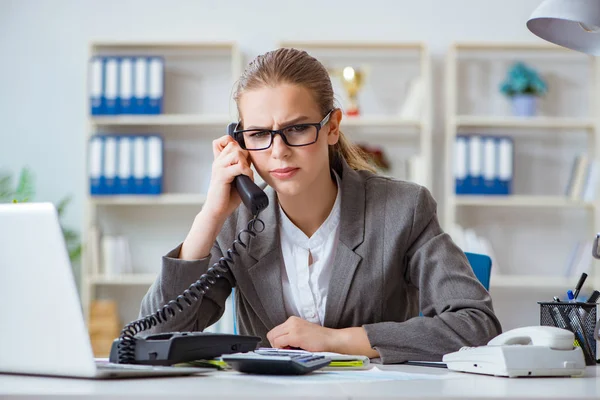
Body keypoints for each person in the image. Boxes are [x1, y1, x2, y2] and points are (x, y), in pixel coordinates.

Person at [140, 48, 502, 364]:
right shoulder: (237, 223)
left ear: (332, 128)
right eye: (259, 134)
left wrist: (338, 340)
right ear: (239, 142)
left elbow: (475, 325)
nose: (278, 151)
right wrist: (209, 216)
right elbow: (151, 339)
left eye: (297, 129)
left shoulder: (403, 208)